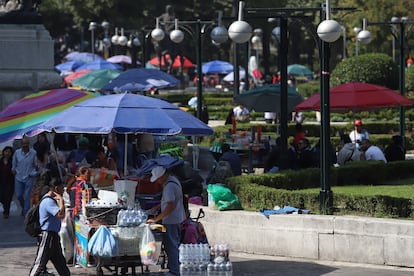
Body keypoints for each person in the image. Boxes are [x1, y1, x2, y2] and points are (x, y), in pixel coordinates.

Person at [147, 166, 185, 276]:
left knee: (171, 245)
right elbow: (169, 201)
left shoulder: (169, 186)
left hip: (171, 220)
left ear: (163, 176)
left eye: (158, 179)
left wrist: (156, 219)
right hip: (176, 218)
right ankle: (172, 268)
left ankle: (174, 271)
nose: (157, 182)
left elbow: (170, 206)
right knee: (172, 245)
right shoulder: (173, 180)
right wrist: (158, 207)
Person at [29, 176, 70, 276]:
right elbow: (61, 215)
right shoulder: (48, 201)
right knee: (39, 264)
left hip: (54, 237)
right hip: (47, 236)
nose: (63, 190)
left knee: (62, 266)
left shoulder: (50, 200)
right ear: (56, 188)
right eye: (62, 188)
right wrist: (61, 200)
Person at [12, 137, 38, 216]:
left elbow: (35, 164)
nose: (25, 145)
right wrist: (13, 169)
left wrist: (36, 169)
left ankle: (26, 213)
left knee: (27, 196)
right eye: (23, 144)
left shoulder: (33, 153)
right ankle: (24, 208)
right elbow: (14, 164)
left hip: (29, 177)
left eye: (26, 144)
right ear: (21, 144)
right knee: (19, 195)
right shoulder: (17, 152)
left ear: (29, 144)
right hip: (19, 177)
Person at [0, 146, 14, 218]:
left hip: (10, 182)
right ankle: (5, 206)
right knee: (1, 197)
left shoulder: (13, 161)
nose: (7, 153)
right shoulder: (0, 160)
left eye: (9, 152)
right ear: (3, 152)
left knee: (8, 198)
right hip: (1, 182)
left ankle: (6, 212)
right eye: (6, 151)